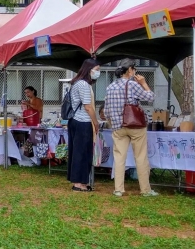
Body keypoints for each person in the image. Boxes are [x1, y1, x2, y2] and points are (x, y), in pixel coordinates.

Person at [104, 58, 158, 197]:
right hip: (135, 126)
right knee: (140, 157)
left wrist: (113, 121)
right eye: (134, 69)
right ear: (130, 70)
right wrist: (144, 83)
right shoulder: (133, 85)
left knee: (119, 158)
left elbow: (106, 111)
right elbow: (150, 97)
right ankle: (145, 190)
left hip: (117, 127)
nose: (135, 72)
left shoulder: (110, 87)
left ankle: (118, 189)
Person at [67, 59, 100, 191]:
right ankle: (79, 183)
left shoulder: (77, 83)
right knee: (82, 153)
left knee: (79, 152)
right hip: (82, 122)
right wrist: (96, 122)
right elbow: (88, 107)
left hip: (76, 121)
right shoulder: (84, 84)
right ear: (89, 69)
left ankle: (80, 181)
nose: (98, 73)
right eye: (97, 70)